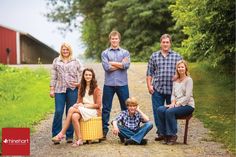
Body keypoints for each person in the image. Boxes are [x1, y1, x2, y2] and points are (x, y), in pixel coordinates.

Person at [52, 68, 102, 147]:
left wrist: (84, 106)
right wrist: (77, 104)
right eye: (86, 75)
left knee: (71, 109)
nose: (88, 76)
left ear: (92, 77)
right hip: (83, 109)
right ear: (83, 76)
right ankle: (80, 139)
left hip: (93, 110)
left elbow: (98, 105)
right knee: (74, 116)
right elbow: (79, 102)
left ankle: (62, 133)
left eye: (90, 75)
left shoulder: (96, 89)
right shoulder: (81, 87)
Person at [146, 34, 182, 141]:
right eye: (163, 42)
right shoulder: (154, 56)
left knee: (171, 111)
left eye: (167, 42)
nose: (165, 44)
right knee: (158, 112)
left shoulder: (177, 56)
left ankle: (171, 133)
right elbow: (149, 73)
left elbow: (182, 71)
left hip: (172, 90)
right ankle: (161, 133)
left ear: (170, 43)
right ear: (160, 43)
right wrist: (149, 86)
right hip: (158, 89)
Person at [50, 42, 83, 144]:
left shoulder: (75, 61)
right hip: (59, 90)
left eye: (67, 49)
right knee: (59, 111)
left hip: (72, 90)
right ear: (61, 50)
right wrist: (52, 89)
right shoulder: (56, 61)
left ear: (70, 50)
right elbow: (53, 76)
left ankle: (69, 135)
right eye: (63, 49)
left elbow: (83, 71)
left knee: (71, 111)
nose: (65, 51)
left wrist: (79, 83)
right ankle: (56, 134)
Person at [156, 60, 195, 145]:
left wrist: (177, 104)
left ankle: (172, 135)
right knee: (160, 109)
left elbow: (187, 97)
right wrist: (173, 102)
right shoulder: (175, 80)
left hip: (187, 105)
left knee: (170, 111)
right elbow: (173, 94)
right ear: (177, 69)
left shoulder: (189, 80)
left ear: (185, 68)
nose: (180, 68)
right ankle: (165, 134)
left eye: (182, 67)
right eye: (179, 67)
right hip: (176, 104)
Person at [101, 30, 130, 139]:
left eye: (116, 38)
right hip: (108, 84)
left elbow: (126, 65)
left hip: (123, 84)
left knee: (125, 107)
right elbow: (106, 68)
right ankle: (104, 130)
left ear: (119, 40)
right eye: (112, 39)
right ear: (110, 40)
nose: (114, 40)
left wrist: (111, 62)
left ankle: (125, 131)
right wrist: (120, 64)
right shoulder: (105, 53)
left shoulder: (125, 52)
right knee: (106, 108)